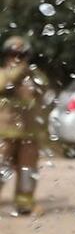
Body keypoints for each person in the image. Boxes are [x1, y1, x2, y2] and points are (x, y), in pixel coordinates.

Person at [0, 35, 49, 215]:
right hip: (4, 133)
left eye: (22, 54)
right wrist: (15, 74)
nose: (17, 58)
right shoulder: (3, 74)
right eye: (13, 54)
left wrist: (30, 78)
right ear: (6, 55)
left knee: (28, 170)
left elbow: (44, 90)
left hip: (29, 134)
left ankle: (25, 202)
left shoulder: (34, 76)